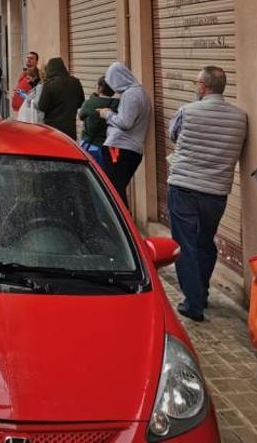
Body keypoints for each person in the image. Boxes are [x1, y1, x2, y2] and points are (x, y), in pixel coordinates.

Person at [165, 66, 247, 322]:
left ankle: (194, 303)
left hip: (184, 187)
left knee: (185, 245)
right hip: (216, 191)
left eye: (196, 83)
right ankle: (201, 290)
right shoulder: (240, 117)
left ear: (202, 87)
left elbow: (173, 135)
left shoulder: (187, 111)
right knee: (205, 242)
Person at [97, 62, 151, 207]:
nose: (113, 88)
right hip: (128, 148)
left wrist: (107, 114)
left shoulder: (131, 95)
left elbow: (125, 123)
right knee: (116, 188)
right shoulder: (139, 93)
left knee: (114, 190)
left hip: (120, 148)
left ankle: (121, 224)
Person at [36, 57, 84, 139]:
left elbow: (42, 106)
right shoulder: (75, 82)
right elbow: (80, 102)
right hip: (70, 129)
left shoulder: (49, 85)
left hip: (52, 129)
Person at [78, 76, 118, 165]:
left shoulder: (90, 103)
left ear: (100, 88)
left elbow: (81, 115)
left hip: (91, 146)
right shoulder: (118, 103)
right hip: (112, 149)